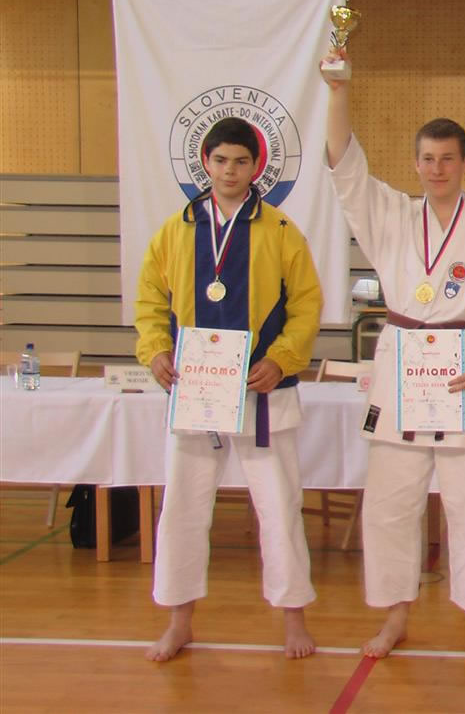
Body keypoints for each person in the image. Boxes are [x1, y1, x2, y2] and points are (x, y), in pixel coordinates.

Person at [321, 47, 465, 660]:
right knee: (390, 507)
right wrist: (338, 91)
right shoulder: (389, 214)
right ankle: (395, 617)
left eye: (447, 159)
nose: (437, 169)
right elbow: (344, 166)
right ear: (415, 164)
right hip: (403, 371)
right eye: (428, 159)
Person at [135, 117, 323, 662]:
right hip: (196, 388)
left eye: (241, 161)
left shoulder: (281, 230)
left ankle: (293, 617)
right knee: (183, 508)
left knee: (279, 509)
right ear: (206, 163)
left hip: (263, 391)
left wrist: (281, 359)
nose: (230, 171)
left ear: (256, 166)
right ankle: (179, 620)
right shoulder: (176, 230)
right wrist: (155, 349)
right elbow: (149, 299)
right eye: (220, 161)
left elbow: (306, 304)